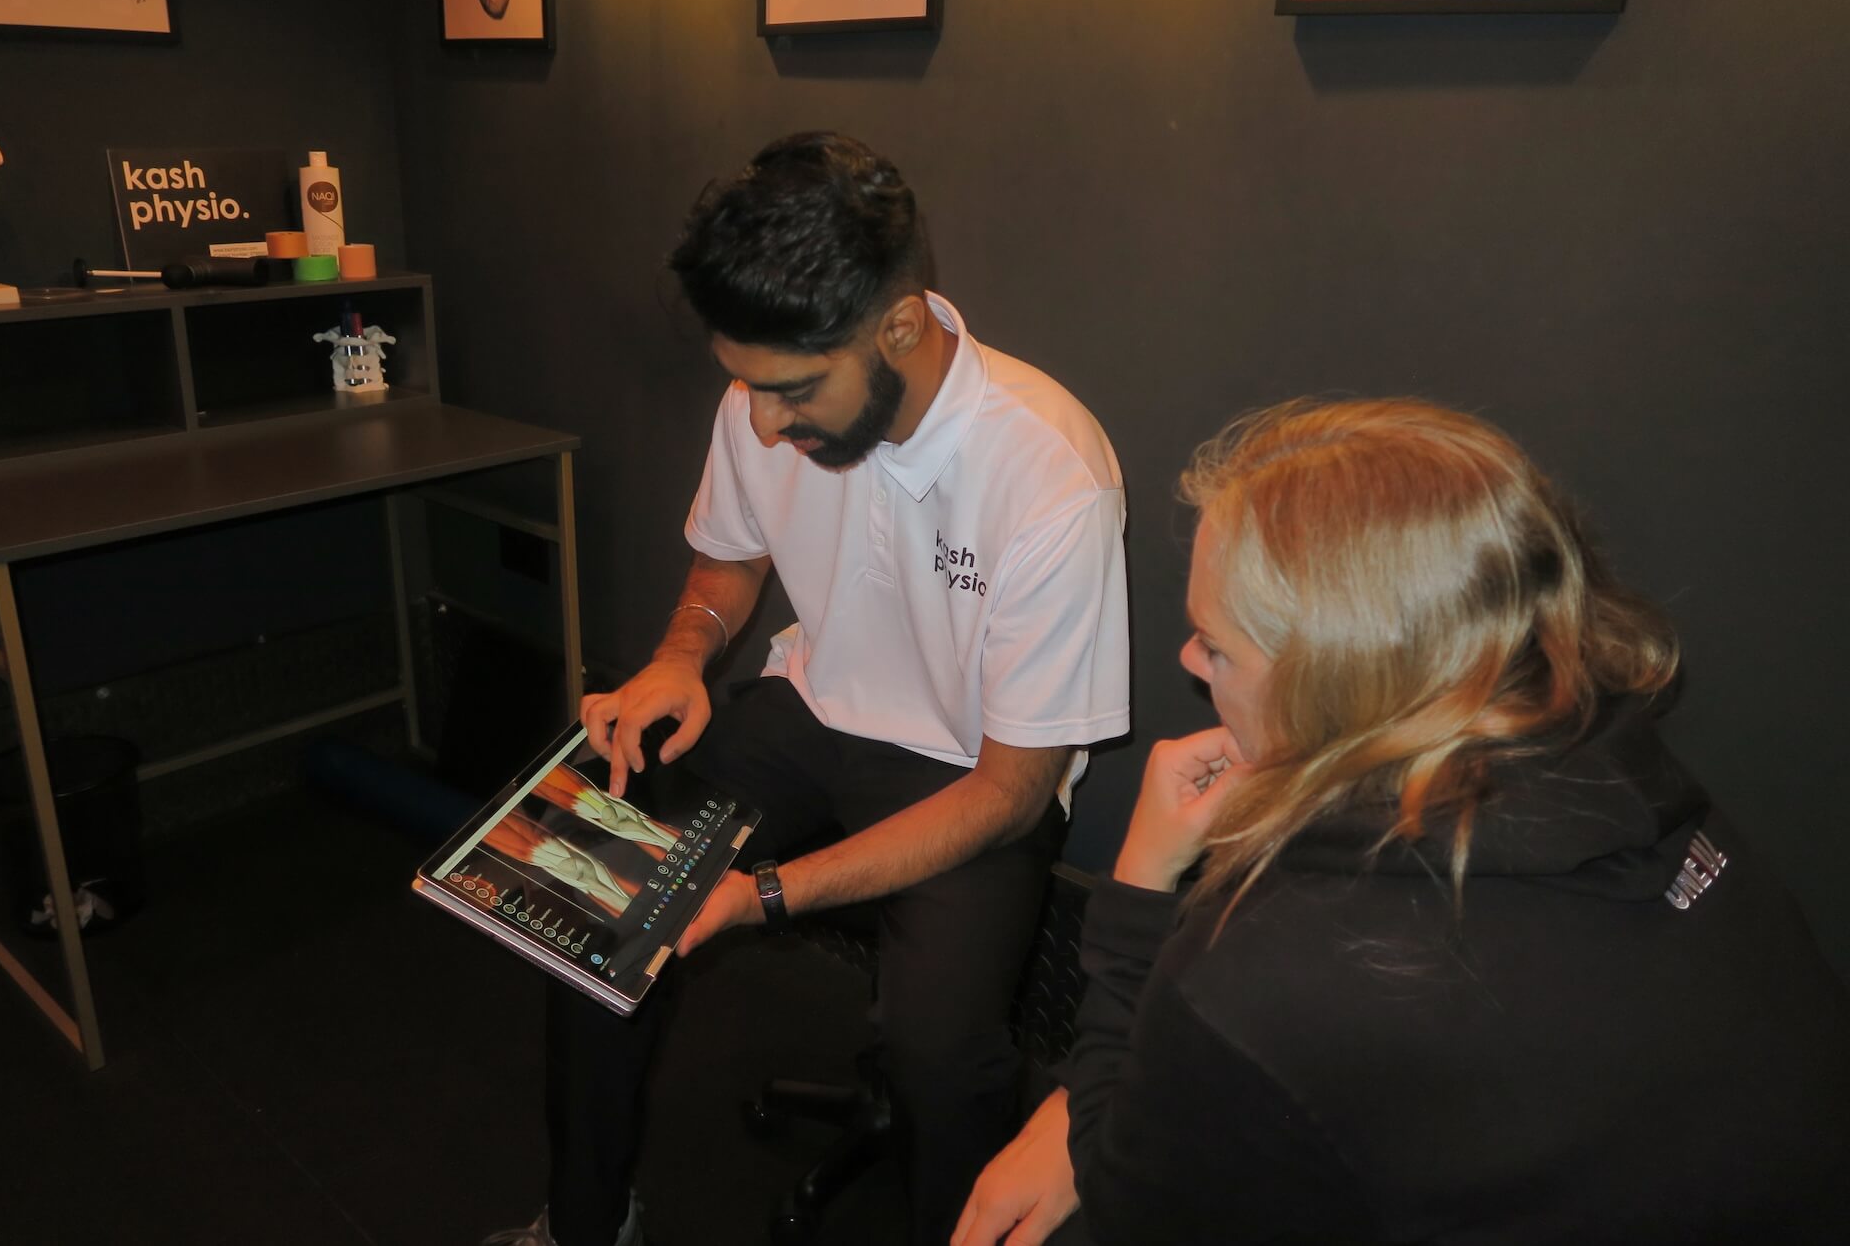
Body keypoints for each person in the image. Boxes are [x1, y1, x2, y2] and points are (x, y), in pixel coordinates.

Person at [955, 398, 1850, 1246]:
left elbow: (1134, 1206)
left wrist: (1140, 886)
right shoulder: (1650, 793)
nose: (1189, 659)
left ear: (1333, 684)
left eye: (1217, 645)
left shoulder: (1266, 970)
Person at [491, 132, 1130, 1246]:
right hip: (810, 710)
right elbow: (727, 564)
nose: (762, 423)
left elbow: (1014, 792)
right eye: (745, 386)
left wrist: (767, 894)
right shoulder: (762, 397)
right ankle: (586, 1222)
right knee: (595, 899)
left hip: (970, 772)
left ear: (899, 327)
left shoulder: (1050, 474)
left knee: (942, 1058)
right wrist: (681, 656)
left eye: (790, 392)